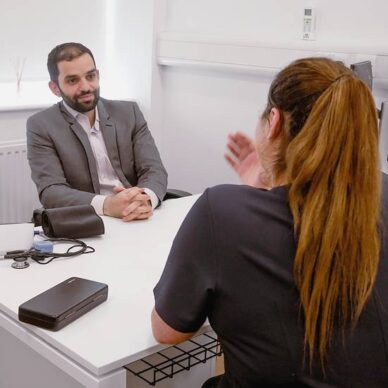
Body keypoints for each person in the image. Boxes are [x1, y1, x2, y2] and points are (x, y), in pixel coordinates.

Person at [151, 57, 388, 387]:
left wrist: (250, 202)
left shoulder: (219, 211)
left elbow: (167, 331)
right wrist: (265, 192)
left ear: (274, 122)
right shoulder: (380, 192)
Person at [27, 42, 167, 222]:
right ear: (55, 88)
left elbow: (154, 169)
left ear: (98, 75)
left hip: (135, 215)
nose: (86, 87)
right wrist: (107, 205)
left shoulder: (129, 112)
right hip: (86, 221)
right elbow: (51, 191)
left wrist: (145, 199)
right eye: (72, 80)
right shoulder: (41, 125)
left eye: (90, 76)